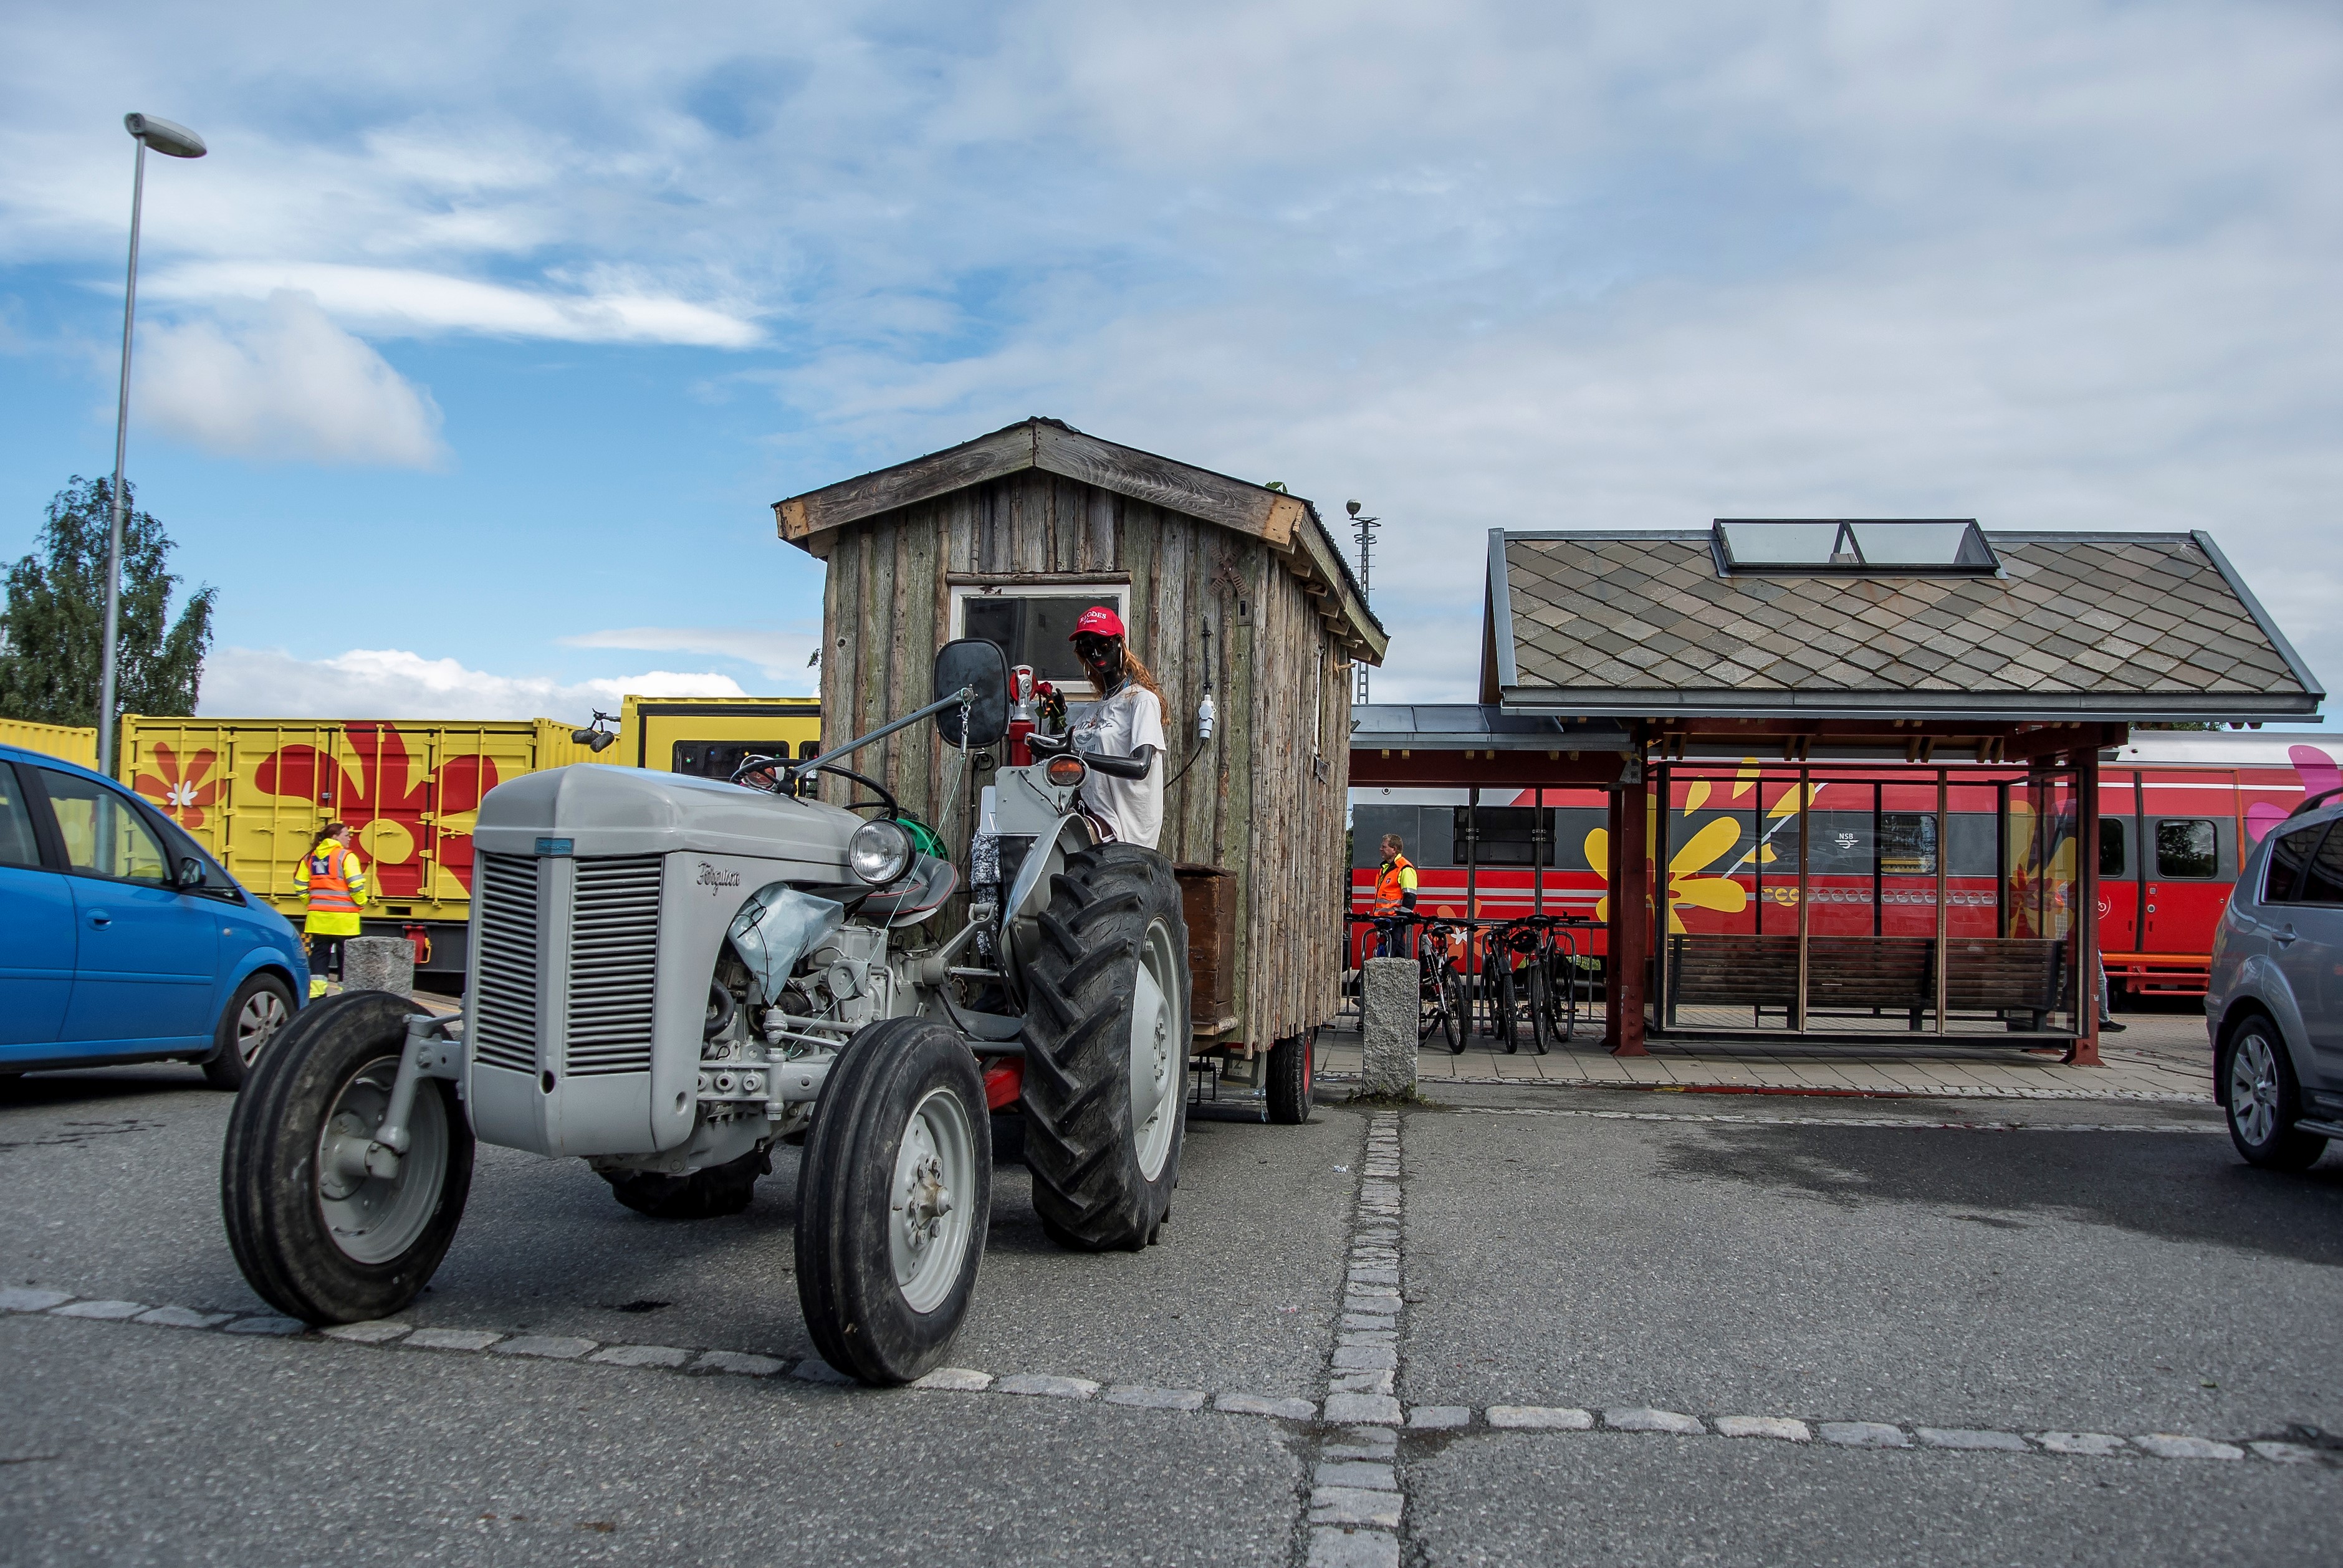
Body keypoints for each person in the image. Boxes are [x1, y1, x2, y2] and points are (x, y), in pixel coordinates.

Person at [1032, 606, 1166, 849]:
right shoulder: (1091, 712)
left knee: (1059, 849)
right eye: (1085, 647)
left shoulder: (1140, 701)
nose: (1094, 652)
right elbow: (1067, 759)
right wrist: (1056, 721)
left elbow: (1141, 766)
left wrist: (1080, 757)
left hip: (1123, 828)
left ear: (1119, 645)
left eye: (1102, 644)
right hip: (1088, 815)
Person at [293, 821, 369, 998]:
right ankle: (346, 997)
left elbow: (300, 886)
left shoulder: (309, 858)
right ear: (335, 837)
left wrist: (312, 904)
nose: (350, 838)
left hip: (318, 920)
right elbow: (356, 885)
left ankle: (316, 997)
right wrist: (361, 902)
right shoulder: (346, 856)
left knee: (319, 957)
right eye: (346, 835)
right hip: (344, 921)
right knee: (347, 961)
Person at [1371, 833, 1418, 957]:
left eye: (1384, 847)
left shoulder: (1405, 869)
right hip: (1384, 921)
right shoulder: (1385, 869)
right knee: (1398, 956)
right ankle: (1412, 975)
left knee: (1389, 957)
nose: (1381, 849)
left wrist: (1401, 920)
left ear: (1394, 849)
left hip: (1395, 922)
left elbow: (1410, 897)